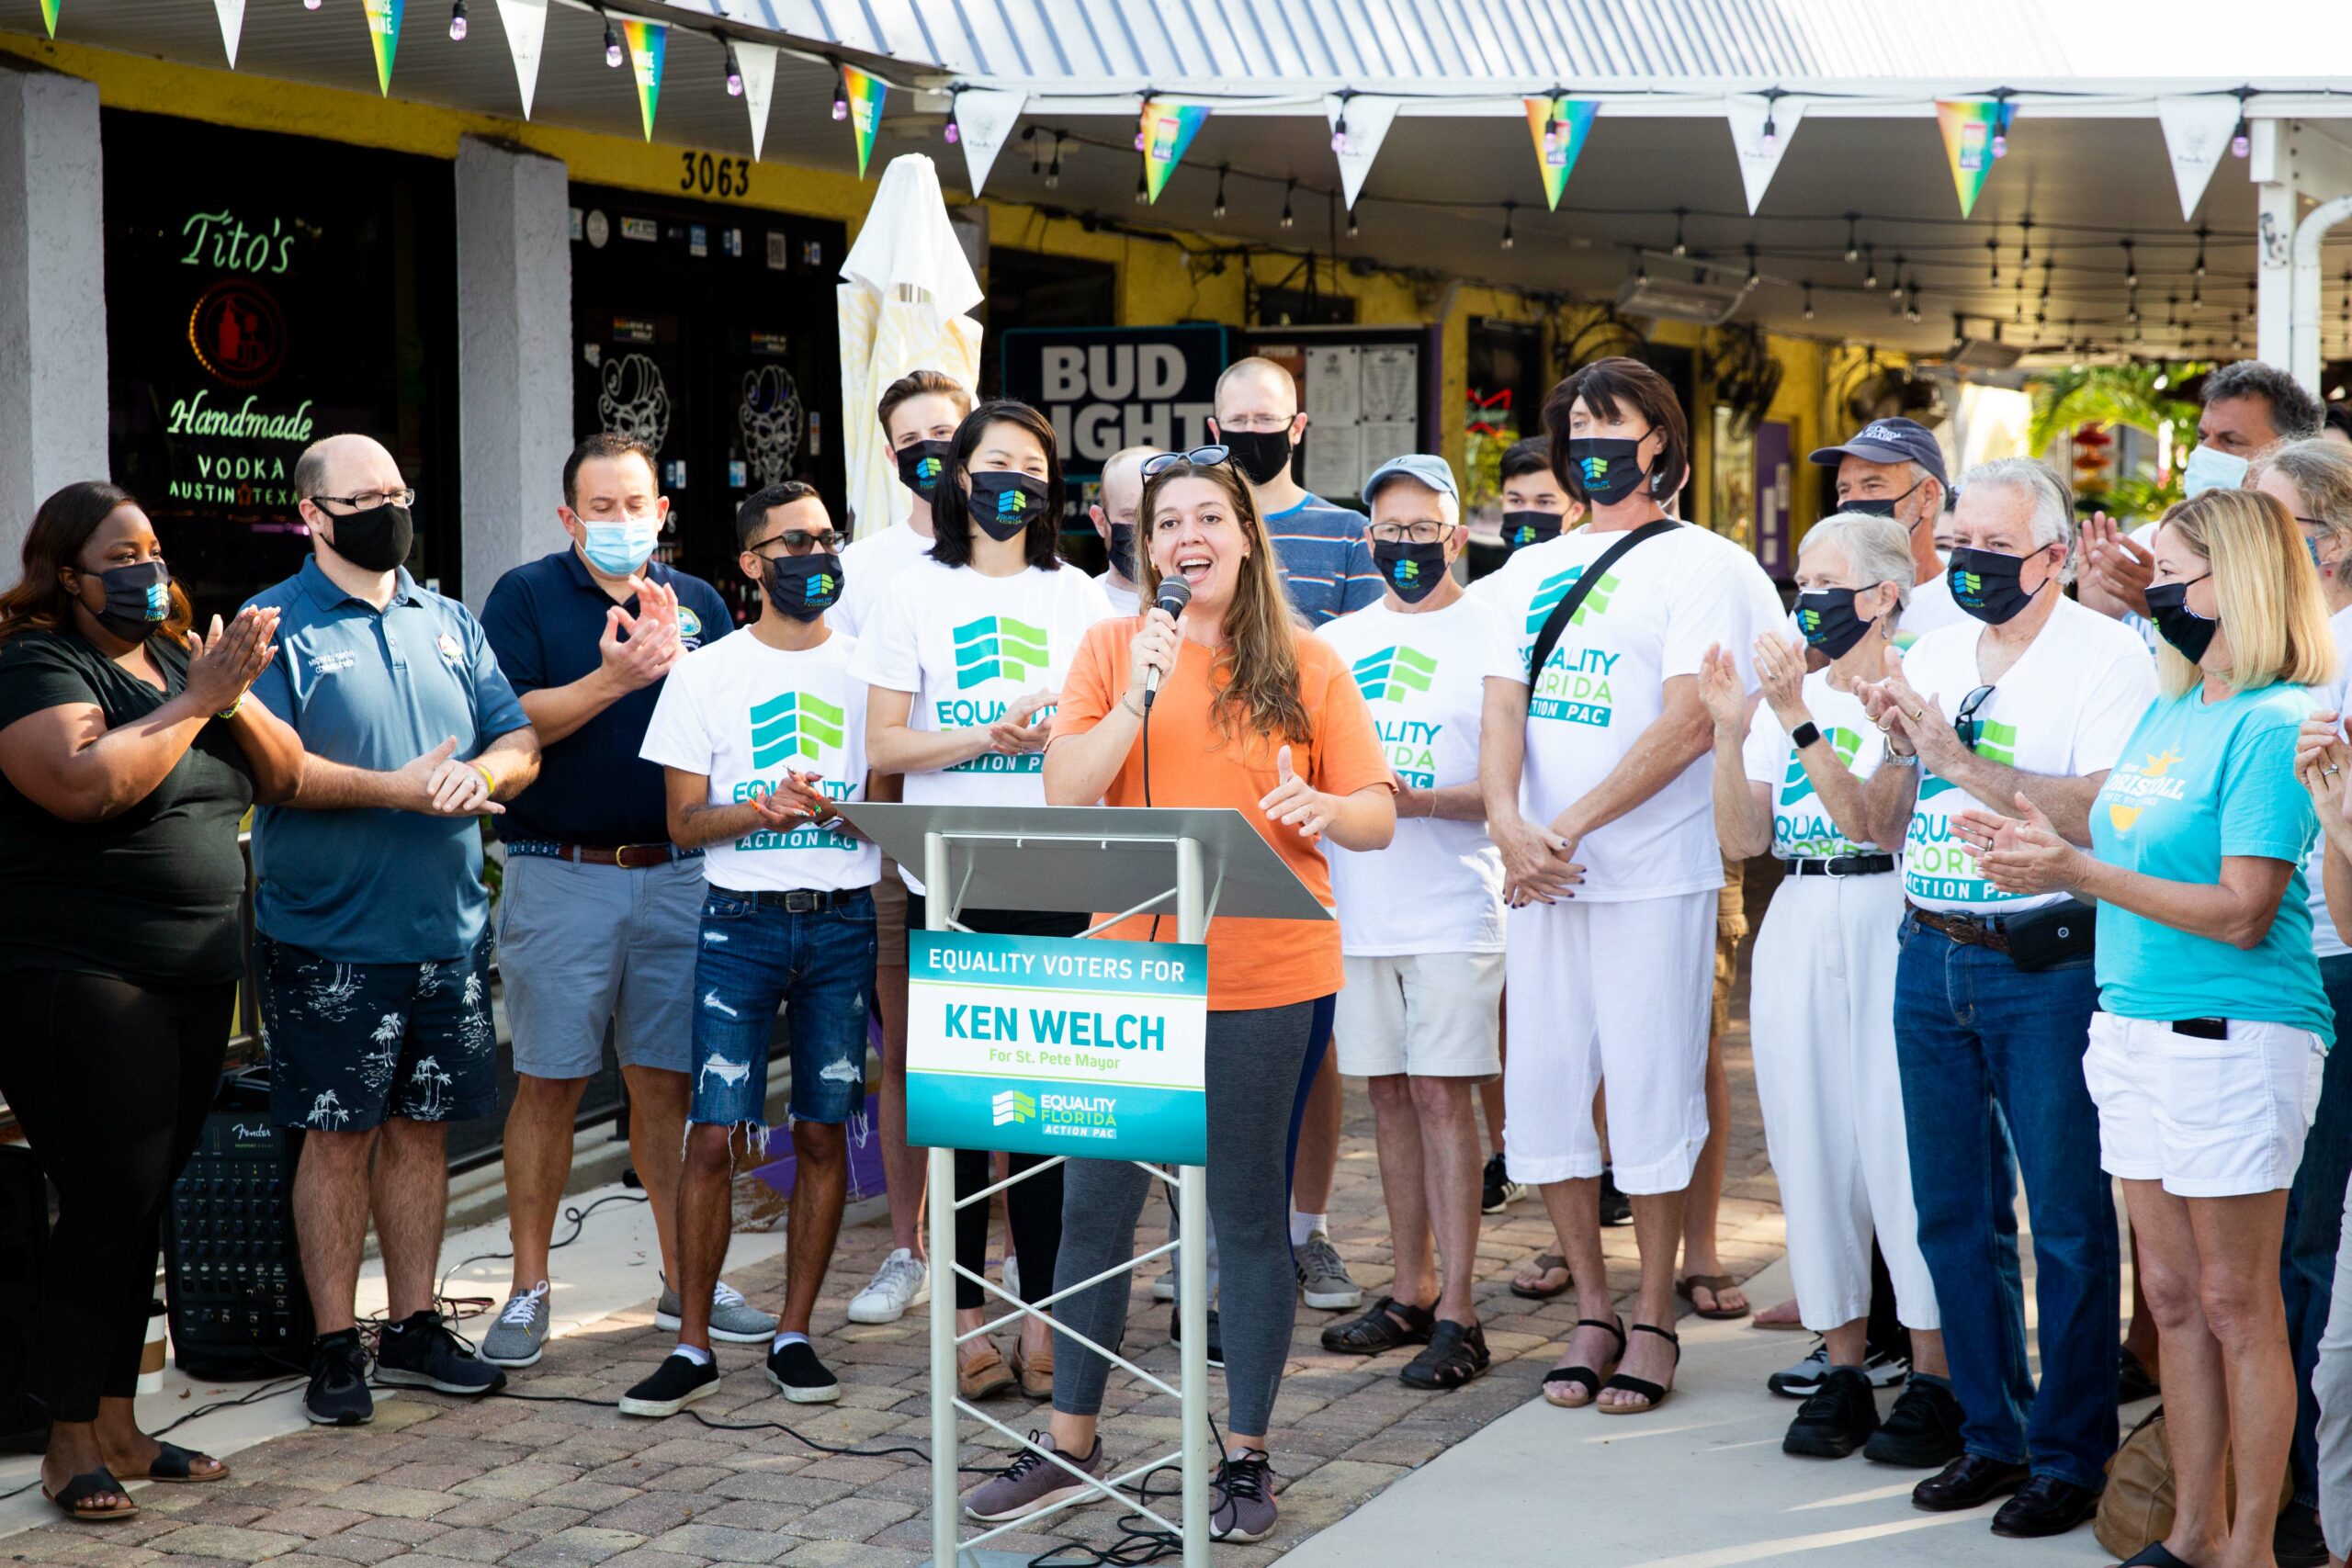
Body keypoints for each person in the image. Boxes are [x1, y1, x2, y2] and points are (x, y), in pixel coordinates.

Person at [958, 446, 1393, 1540]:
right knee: (1094, 1210)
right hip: (1130, 972)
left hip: (1263, 971)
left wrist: (1324, 810)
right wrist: (1136, 698)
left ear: (1246, 535)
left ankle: (1246, 1457)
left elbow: (1376, 811)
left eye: (1208, 517)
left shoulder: (1307, 661)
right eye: (1166, 524)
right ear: (1144, 546)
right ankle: (1071, 1442)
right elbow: (1066, 789)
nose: (1186, 537)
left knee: (1243, 1213)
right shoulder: (1113, 648)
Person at [1964, 485, 2332, 1568]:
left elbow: (2243, 909)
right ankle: (2190, 1532)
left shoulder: (2272, 720)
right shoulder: (2172, 708)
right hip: (2129, 1028)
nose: (2151, 592)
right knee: (2168, 1298)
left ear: (2240, 581)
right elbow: (2120, 843)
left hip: (2232, 1031)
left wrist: (2075, 873)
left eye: (2172, 574)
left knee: (2234, 1303)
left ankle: (2251, 1544)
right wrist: (2033, 848)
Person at [1852, 457, 2154, 1538]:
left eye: (1993, 546)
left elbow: (2102, 811)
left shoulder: (2106, 657)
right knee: (1951, 1210)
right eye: (1958, 543)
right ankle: (1990, 1433)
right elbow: (1885, 819)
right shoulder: (1935, 648)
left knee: (2066, 1221)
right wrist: (1899, 750)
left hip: (2045, 964)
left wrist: (1954, 756)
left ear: (2052, 556)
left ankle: (2069, 1455)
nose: (1969, 562)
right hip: (1928, 949)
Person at [1476, 356, 1782, 1416]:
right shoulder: (1526, 570)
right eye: (1578, 429)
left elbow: (1689, 720)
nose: (1594, 446)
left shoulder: (1705, 565)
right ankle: (1593, 1310)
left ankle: (1654, 1315)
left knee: (1652, 1096)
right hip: (1542, 883)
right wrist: (1508, 826)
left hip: (1651, 874)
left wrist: (1562, 827)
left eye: (1615, 426)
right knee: (1545, 1098)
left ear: (1661, 441)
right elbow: (1501, 708)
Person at [0, 482, 303, 1520]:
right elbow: (85, 784)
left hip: (193, 971)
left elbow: (284, 775)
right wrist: (196, 702)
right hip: (80, 972)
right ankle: (66, 1440)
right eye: (119, 556)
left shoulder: (179, 659)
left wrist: (231, 690)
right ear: (67, 574)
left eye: (153, 549)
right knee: (105, 1198)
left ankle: (122, 1426)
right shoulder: (37, 662)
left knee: (145, 1201)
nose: (145, 569)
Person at [245, 434, 542, 1427]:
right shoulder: (272, 626)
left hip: (446, 931)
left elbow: (518, 737)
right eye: (364, 497)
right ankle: (336, 1344)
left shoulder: (447, 619)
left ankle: (413, 1325)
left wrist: (481, 775)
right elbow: (276, 773)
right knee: (336, 1140)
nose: (390, 510)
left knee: (422, 1133)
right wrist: (400, 790)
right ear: (312, 515)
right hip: (329, 936)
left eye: (398, 492)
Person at [475, 434, 760, 1371]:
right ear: (569, 516)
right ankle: (528, 1288)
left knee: (667, 1085)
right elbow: (507, 720)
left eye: (636, 504)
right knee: (549, 1083)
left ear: (662, 510)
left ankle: (688, 1278)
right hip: (561, 870)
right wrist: (616, 677)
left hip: (680, 873)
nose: (620, 521)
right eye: (600, 508)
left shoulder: (700, 602)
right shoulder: (525, 596)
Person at [851, 400, 1114, 1400]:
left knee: (1044, 1112)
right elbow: (884, 745)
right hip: (949, 879)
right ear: (960, 476)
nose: (1016, 482)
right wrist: (983, 739)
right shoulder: (912, 592)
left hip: (1057, 878)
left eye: (1034, 467)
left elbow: (1106, 729)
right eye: (998, 462)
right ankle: (966, 1320)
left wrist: (1054, 741)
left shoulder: (1078, 597)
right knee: (964, 1111)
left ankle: (1042, 1314)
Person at [1697, 513, 1958, 1464]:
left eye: (1824, 581)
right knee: (1808, 1143)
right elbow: (1742, 838)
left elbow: (1877, 824)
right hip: (1800, 913)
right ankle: (1843, 1366)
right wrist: (1730, 731)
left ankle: (1935, 1375)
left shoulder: (1919, 684)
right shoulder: (1788, 695)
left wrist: (1793, 718)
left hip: (1889, 908)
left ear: (1884, 594)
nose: (1805, 598)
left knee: (1899, 1145)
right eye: (1800, 580)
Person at [625, 481, 875, 1416]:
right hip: (739, 922)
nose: (816, 556)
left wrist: (848, 810)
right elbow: (683, 823)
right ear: (751, 563)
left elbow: (895, 796)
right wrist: (761, 810)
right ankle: (692, 1344)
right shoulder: (707, 674)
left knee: (821, 1131)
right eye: (794, 542)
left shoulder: (871, 668)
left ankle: (795, 1334)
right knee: (711, 1135)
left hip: (844, 919)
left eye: (826, 538)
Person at [1314, 454, 1515, 1390]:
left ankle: (1462, 1313)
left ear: (1456, 535)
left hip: (1452, 905)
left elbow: (1506, 790)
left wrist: (1412, 800)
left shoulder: (1492, 630)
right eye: (1389, 529)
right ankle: (1410, 1290)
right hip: (1359, 907)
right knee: (1387, 1096)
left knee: (1441, 1094)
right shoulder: (1337, 640)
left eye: (1422, 529)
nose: (1405, 544)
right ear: (1367, 538)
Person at [1207, 356, 1382, 1312]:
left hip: (1310, 815)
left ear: (1298, 425)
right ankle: (1224, 1242)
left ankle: (1307, 1232)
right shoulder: (1195, 523)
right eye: (1234, 421)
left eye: (1265, 419)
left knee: (1313, 1047)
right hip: (1210, 816)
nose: (1250, 435)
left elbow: (1358, 663)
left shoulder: (1344, 533)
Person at [838, 369, 973, 1328]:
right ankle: (907, 1248)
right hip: (894, 836)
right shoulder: (864, 568)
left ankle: (1003, 1254)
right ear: (890, 456)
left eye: (946, 433)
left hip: (999, 835)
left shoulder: (1020, 560)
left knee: (1001, 1041)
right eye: (913, 439)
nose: (932, 451)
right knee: (913, 1048)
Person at [2256, 438, 2352, 1567]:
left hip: (2330, 963)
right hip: (2274, 962)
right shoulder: (2276, 649)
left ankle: (2306, 1505)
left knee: (2307, 1245)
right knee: (2284, 1240)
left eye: (2268, 519)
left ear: (2324, 542)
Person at [2083, 358, 2326, 622]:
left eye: (2230, 441)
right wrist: (2101, 614)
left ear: (2290, 455)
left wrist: (2169, 612)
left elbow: (2273, 644)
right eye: (2202, 437)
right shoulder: (2143, 546)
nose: (2205, 452)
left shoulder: (2309, 559)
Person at [1808, 417, 1967, 640]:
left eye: (1872, 486)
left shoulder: (1971, 602)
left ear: (1928, 496)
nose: (1852, 501)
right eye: (1844, 490)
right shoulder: (1820, 590)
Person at [1088, 446, 1157, 617]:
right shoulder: (1079, 605)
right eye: (1131, 516)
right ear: (1101, 522)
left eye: (1161, 516)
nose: (1144, 528)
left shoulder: (1205, 605)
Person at [1497, 435, 1583, 554]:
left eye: (1544, 502)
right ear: (1502, 502)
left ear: (1576, 511)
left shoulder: (1594, 564)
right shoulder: (1496, 566)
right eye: (1516, 501)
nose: (1528, 512)